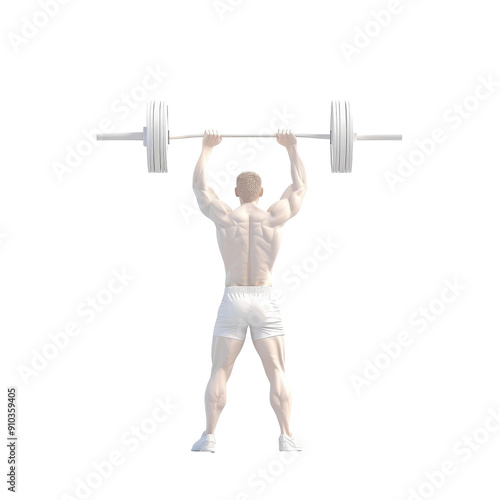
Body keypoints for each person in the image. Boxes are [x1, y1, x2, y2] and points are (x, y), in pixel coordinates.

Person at [191, 129, 307, 453]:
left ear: (236, 191)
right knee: (277, 371)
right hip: (264, 299)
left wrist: (206, 148)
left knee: (219, 370)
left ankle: (209, 437)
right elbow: (301, 187)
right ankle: (286, 437)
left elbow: (199, 188)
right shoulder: (274, 217)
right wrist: (292, 148)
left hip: (233, 299)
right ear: (262, 193)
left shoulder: (226, 217)